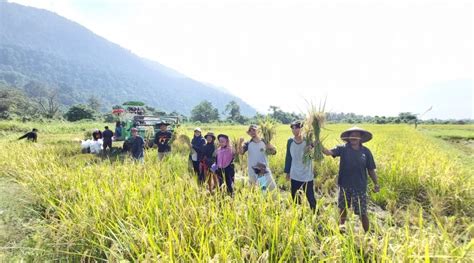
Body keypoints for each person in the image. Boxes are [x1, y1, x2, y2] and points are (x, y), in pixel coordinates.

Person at [322, 126, 380, 233]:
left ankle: (367, 234)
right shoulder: (343, 149)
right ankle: (341, 230)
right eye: (351, 135)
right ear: (348, 137)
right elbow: (328, 152)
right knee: (343, 209)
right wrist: (318, 146)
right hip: (344, 185)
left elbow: (371, 169)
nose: (354, 137)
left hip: (359, 187)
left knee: (362, 212)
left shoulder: (366, 152)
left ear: (361, 138)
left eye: (356, 135)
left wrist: (376, 183)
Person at [284, 121, 317, 211]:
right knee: (295, 196)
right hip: (294, 173)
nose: (294, 130)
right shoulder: (290, 141)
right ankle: (298, 215)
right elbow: (288, 157)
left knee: (310, 196)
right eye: (293, 128)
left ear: (302, 128)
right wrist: (287, 172)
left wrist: (309, 150)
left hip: (307, 174)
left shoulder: (308, 141)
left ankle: (315, 215)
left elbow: (311, 158)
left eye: (297, 127)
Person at [238, 124, 277, 190]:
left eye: (254, 130)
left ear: (258, 131)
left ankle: (269, 199)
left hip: (263, 169)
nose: (252, 132)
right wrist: (240, 143)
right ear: (249, 133)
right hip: (252, 170)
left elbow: (274, 152)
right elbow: (241, 152)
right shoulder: (248, 143)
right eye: (250, 131)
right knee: (257, 190)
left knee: (270, 189)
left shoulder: (264, 141)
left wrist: (270, 147)